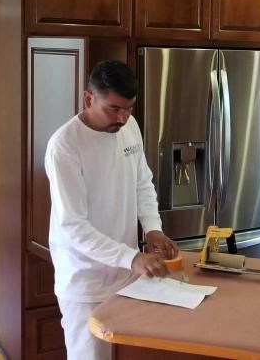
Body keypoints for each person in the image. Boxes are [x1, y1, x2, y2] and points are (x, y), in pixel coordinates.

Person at [45, 60, 179, 360]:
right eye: (114, 109)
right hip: (85, 281)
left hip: (128, 273)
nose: (123, 117)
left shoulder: (129, 127)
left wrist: (152, 227)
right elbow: (73, 227)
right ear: (89, 99)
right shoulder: (65, 147)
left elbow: (142, 183)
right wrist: (132, 257)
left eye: (129, 108)